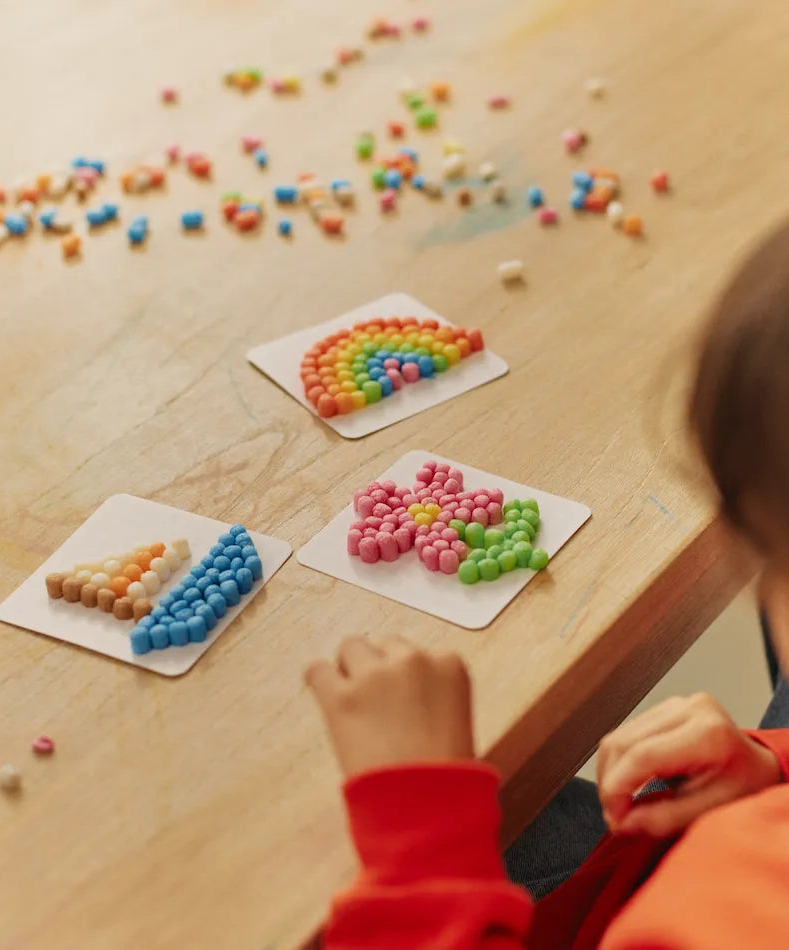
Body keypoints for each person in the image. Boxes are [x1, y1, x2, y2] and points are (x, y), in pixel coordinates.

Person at [305, 219, 789, 948]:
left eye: (770, 561)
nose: (755, 590)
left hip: (609, 909)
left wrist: (419, 847)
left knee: (313, 860)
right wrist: (772, 768)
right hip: (686, 844)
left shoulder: (720, 921)